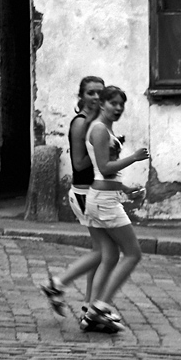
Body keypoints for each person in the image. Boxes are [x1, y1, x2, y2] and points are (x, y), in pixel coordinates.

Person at [40, 76, 116, 329]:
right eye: (91, 93)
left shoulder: (95, 122)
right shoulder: (81, 122)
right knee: (105, 252)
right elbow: (79, 163)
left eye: (99, 93)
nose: (96, 97)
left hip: (94, 192)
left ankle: (89, 305)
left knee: (101, 251)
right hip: (85, 193)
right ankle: (59, 285)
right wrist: (104, 155)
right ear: (81, 96)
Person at [81, 85, 149, 333]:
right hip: (105, 202)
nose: (118, 108)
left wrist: (126, 189)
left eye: (122, 104)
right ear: (102, 104)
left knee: (109, 256)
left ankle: (91, 312)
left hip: (104, 197)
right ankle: (101, 306)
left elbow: (107, 174)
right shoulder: (99, 129)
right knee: (133, 254)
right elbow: (104, 167)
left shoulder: (105, 128)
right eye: (113, 103)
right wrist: (134, 158)